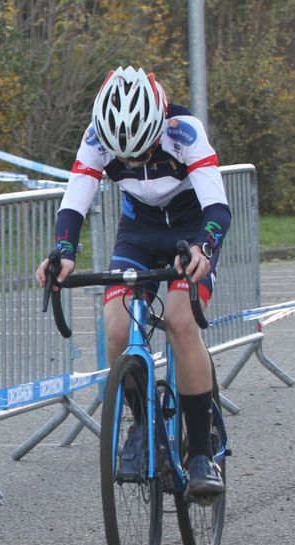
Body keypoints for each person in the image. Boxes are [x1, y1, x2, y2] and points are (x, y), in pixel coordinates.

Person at [36, 66, 230, 497]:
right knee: (117, 327)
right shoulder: (97, 136)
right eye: (124, 158)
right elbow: (74, 203)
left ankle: (200, 453)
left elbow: (218, 207)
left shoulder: (185, 130)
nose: (133, 164)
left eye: (141, 153)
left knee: (181, 324)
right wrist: (63, 253)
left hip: (191, 228)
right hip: (138, 234)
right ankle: (141, 429)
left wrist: (205, 248)